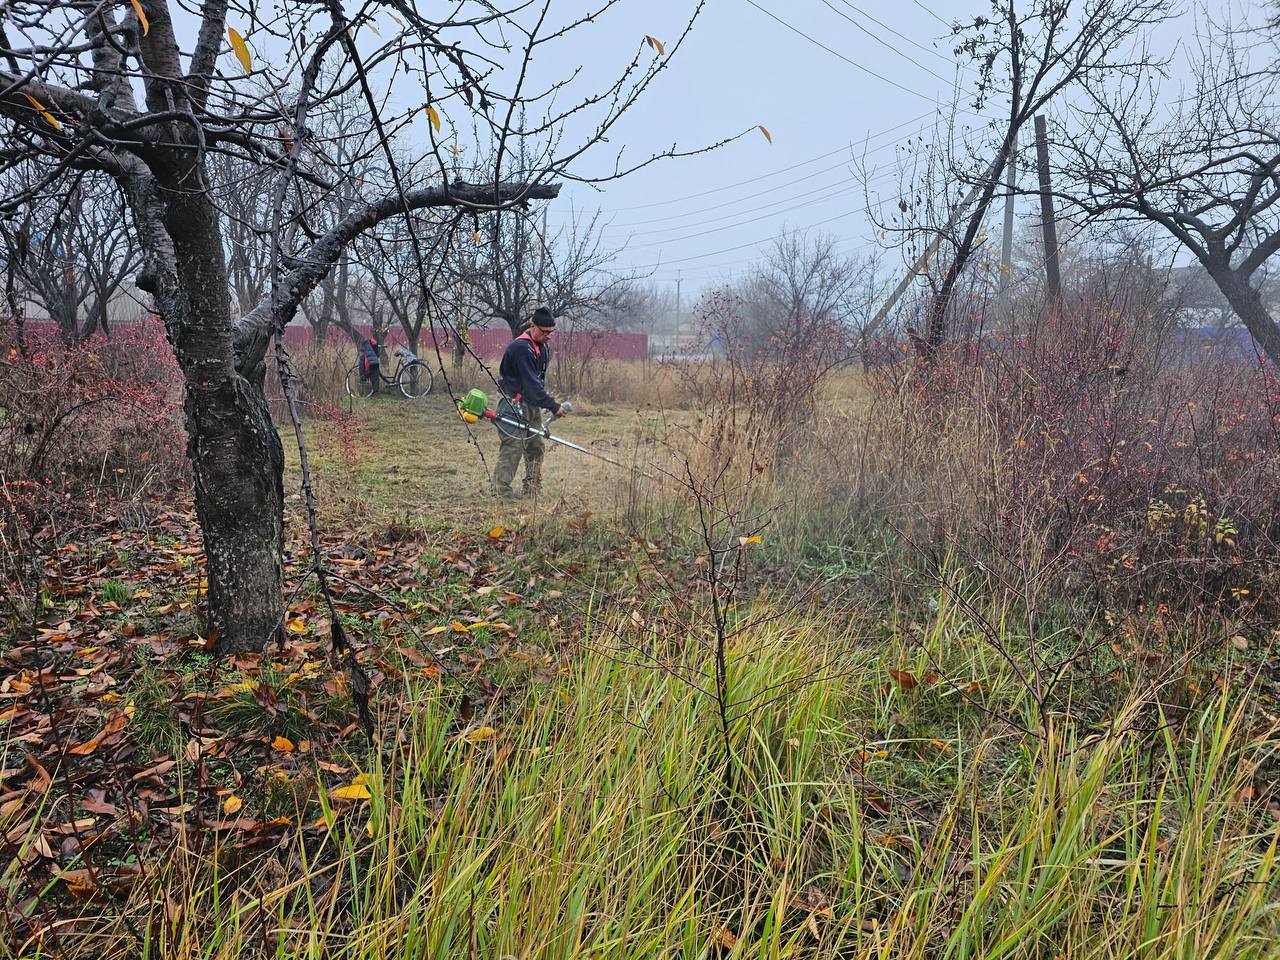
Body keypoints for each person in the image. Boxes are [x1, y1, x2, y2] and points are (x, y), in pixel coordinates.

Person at [492, 307, 569, 499]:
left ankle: (532, 489)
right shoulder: (520, 349)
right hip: (513, 405)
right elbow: (531, 384)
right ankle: (501, 492)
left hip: (531, 406)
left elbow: (537, 382)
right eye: (544, 332)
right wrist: (552, 405)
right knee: (513, 447)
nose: (548, 336)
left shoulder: (542, 347)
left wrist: (542, 402)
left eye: (551, 332)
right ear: (532, 325)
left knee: (535, 447)